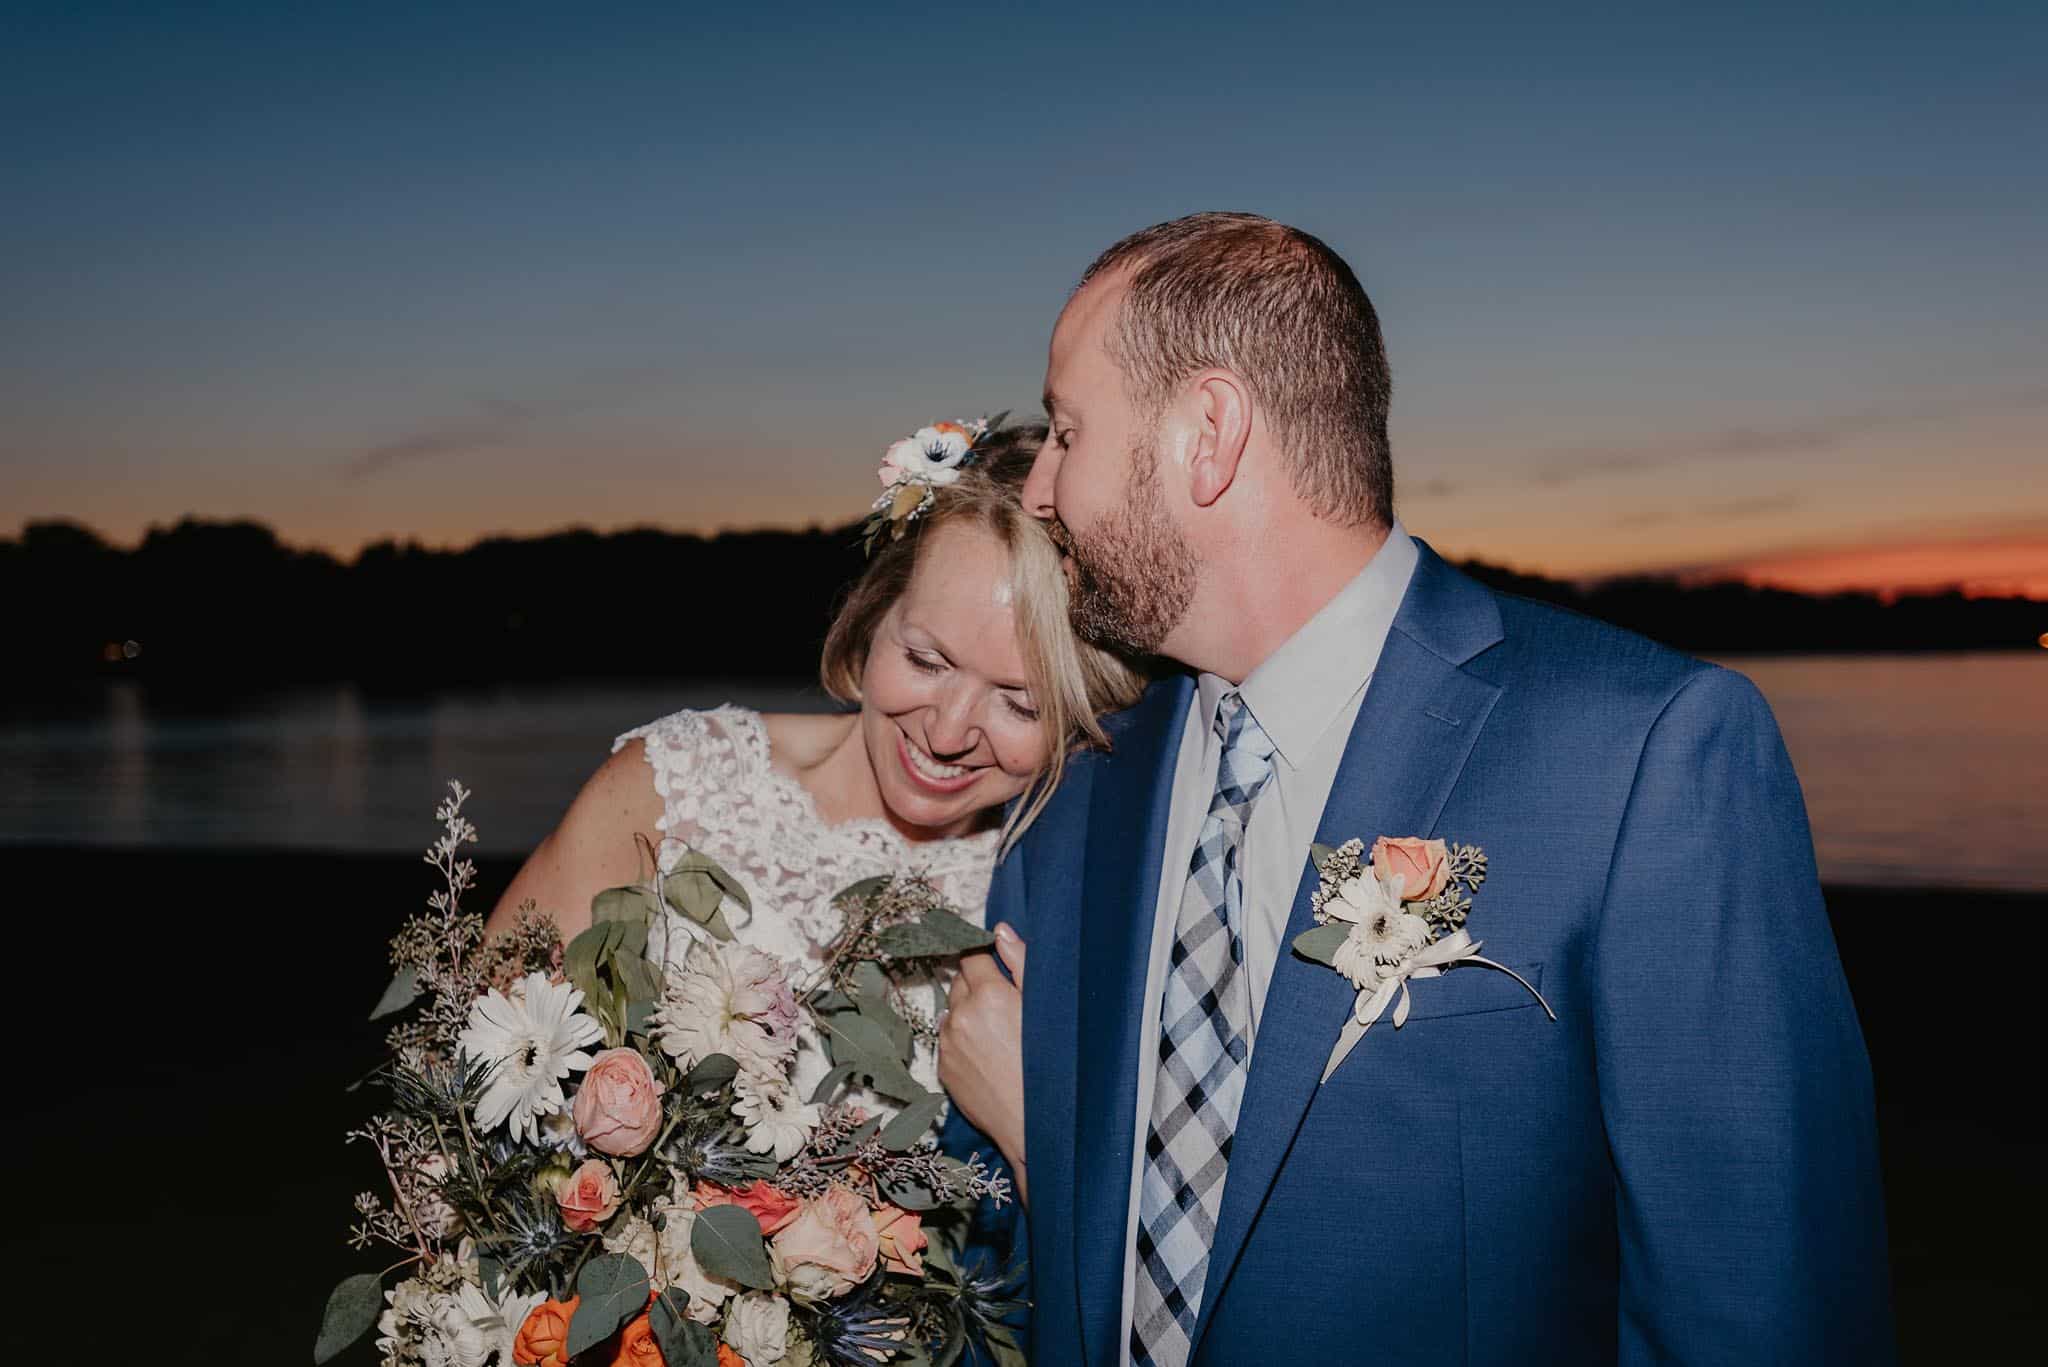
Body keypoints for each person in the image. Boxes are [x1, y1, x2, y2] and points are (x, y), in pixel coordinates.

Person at [937, 213, 1895, 1364]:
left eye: (1067, 432)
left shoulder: (1641, 752)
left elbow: (1757, 1296)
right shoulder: (1088, 770)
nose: (1038, 489)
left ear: (1207, 432)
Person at [486, 418, 1144, 1118]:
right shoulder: (674, 782)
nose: (948, 732)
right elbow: (461, 1063)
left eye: (1020, 703)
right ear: (874, 615)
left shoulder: (1058, 906)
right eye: (926, 660)